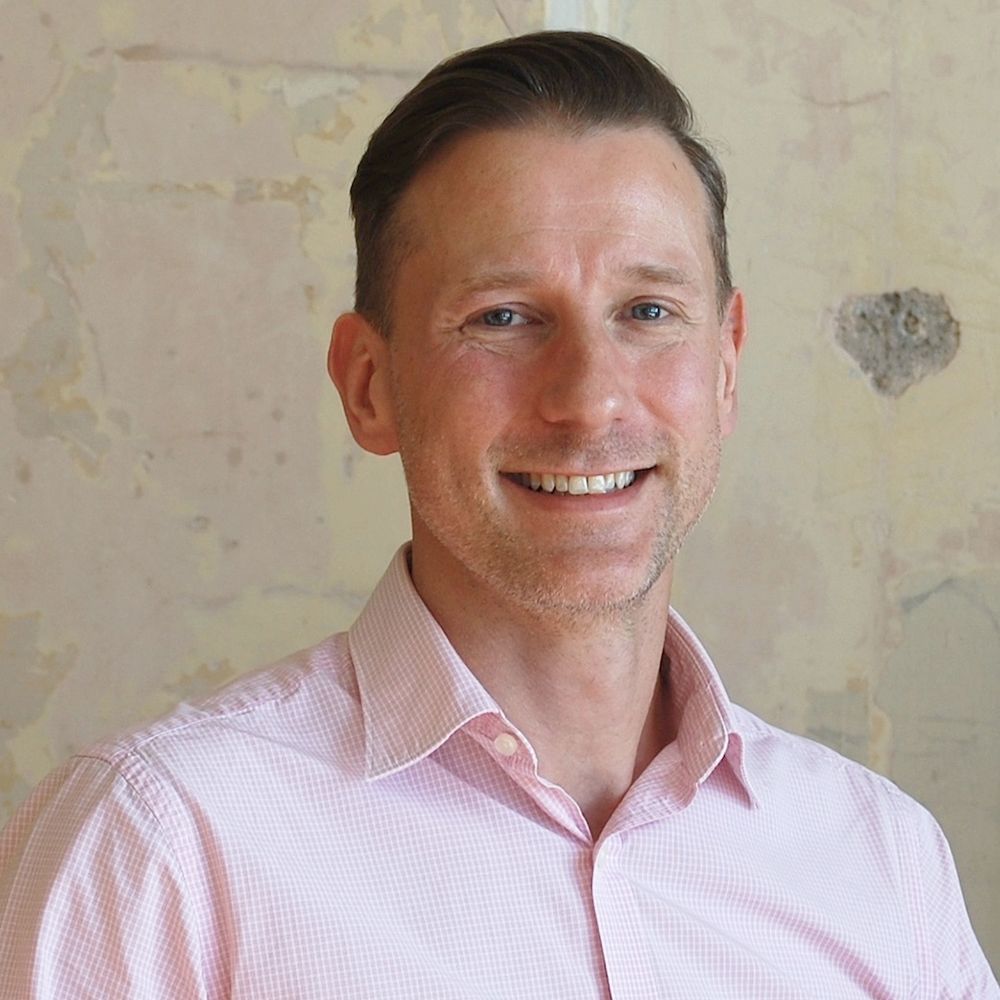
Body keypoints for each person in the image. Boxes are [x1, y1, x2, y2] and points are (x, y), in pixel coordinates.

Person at [0, 30, 996, 999]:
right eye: (504, 318)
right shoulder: (161, 852)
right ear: (369, 385)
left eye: (648, 312)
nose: (590, 401)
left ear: (726, 367)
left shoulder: (881, 863)